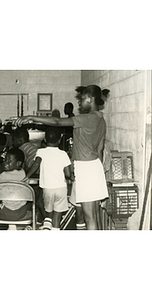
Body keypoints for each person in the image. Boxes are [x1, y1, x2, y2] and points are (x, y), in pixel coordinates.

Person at [16, 85, 108, 230]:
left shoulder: (86, 118)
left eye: (83, 98)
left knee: (89, 217)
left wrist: (30, 117)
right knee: (95, 215)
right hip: (94, 167)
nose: (80, 102)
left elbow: (57, 122)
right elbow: (100, 149)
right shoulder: (101, 120)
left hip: (87, 168)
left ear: (90, 99)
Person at [24, 127, 72, 230]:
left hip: (47, 189)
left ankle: (46, 227)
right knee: (57, 216)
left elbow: (36, 164)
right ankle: (55, 230)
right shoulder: (63, 154)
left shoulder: (41, 152)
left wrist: (27, 176)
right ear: (59, 140)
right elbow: (68, 174)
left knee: (48, 214)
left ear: (45, 140)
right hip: (61, 189)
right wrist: (71, 176)